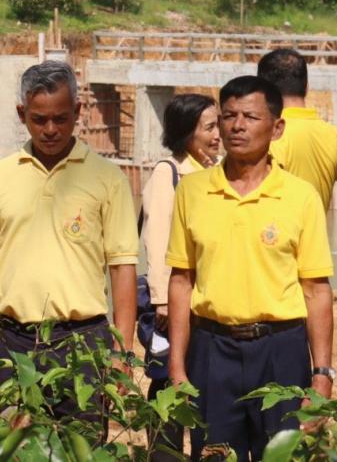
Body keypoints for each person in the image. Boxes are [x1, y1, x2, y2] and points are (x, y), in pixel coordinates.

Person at [0, 60, 138, 430]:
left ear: (77, 111)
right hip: (10, 342)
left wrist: (121, 356)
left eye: (61, 118)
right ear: (21, 113)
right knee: (9, 447)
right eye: (39, 119)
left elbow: (122, 269)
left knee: (82, 446)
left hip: (83, 343)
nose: (51, 129)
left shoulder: (107, 179)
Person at [166, 75, 334, 461]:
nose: (237, 126)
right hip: (212, 348)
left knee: (283, 453)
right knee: (212, 453)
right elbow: (181, 279)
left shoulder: (300, 196)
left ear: (277, 128)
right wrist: (177, 365)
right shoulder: (192, 191)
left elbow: (316, 289)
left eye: (250, 117)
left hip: (281, 349)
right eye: (228, 116)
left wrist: (322, 374)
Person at [139, 93, 220, 460]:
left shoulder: (216, 174)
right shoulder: (168, 173)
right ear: (187, 132)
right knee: (167, 381)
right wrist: (161, 301)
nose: (218, 134)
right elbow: (155, 239)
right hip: (174, 302)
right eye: (210, 127)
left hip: (206, 301)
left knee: (204, 383)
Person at [259, 47, 337, 209]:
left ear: (262, 91)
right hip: (317, 233)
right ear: (307, 87)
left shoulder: (266, 135)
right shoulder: (333, 135)